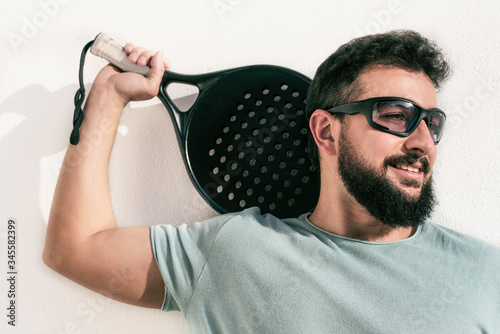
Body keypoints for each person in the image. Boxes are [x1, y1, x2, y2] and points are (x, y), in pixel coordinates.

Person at [43, 30, 500, 333]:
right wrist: (107, 98)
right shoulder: (238, 250)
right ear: (326, 131)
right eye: (396, 116)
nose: (423, 140)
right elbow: (74, 249)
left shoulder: (486, 276)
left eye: (432, 123)